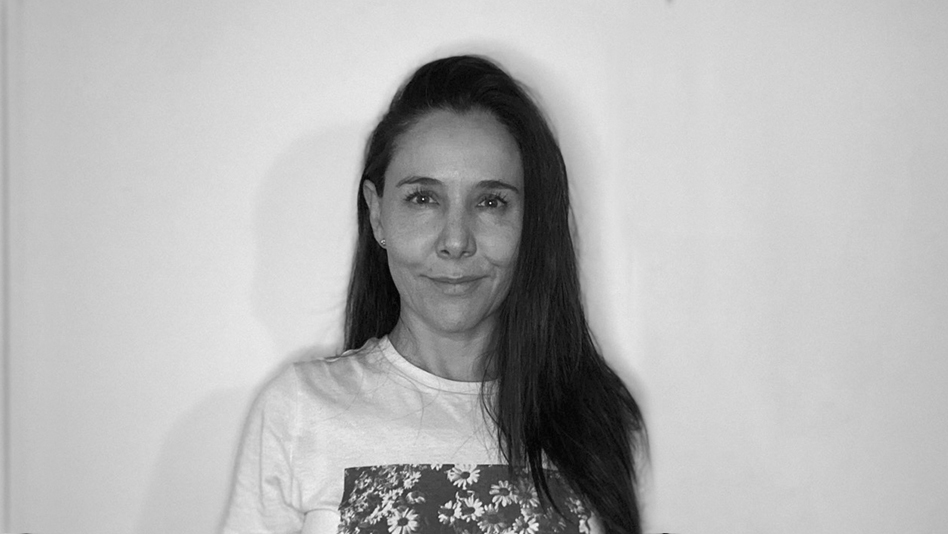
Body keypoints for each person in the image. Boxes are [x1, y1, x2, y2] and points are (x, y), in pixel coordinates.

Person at [221, 55, 646, 534]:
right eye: (423, 199)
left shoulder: (594, 420)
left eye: (491, 202)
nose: (456, 241)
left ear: (530, 223)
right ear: (377, 214)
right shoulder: (301, 411)